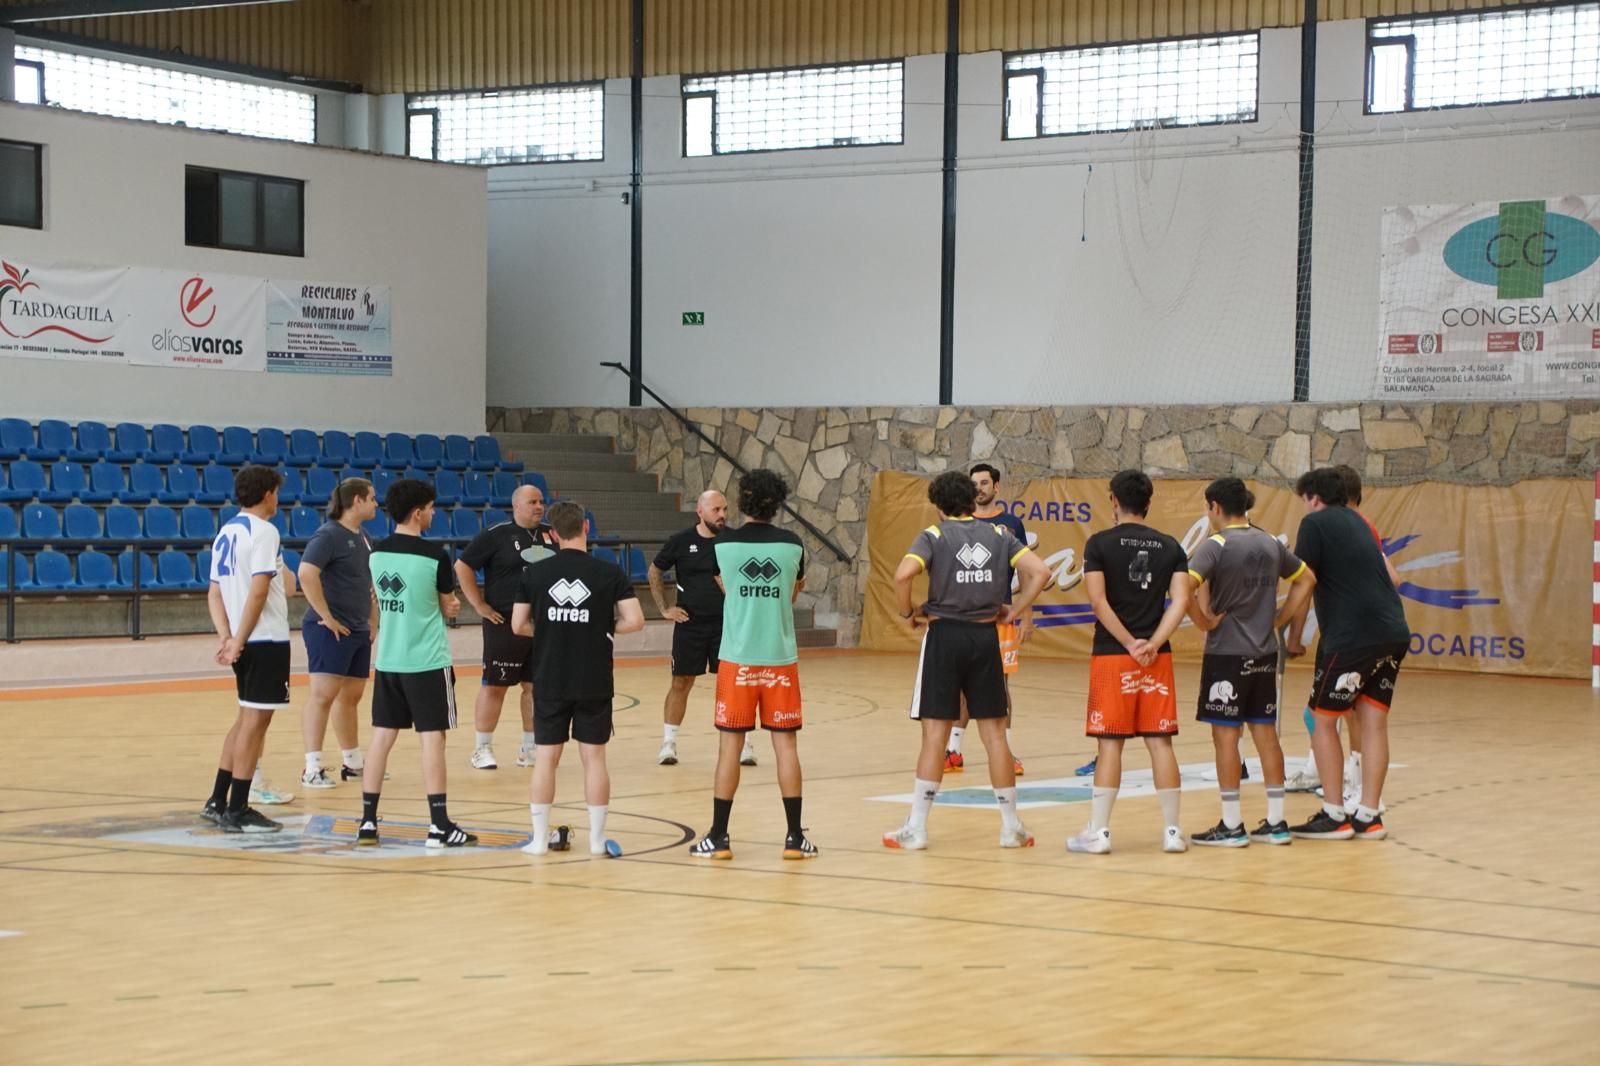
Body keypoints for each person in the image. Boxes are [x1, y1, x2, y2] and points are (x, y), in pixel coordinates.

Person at [883, 471, 1050, 850]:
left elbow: (903, 574)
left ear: (939, 505)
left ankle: (918, 828)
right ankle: (1011, 827)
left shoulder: (934, 535)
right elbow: (1040, 572)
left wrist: (908, 612)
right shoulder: (998, 535)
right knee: (994, 736)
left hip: (944, 637)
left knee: (934, 736)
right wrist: (1015, 609)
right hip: (984, 637)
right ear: (971, 501)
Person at [689, 469, 816, 861]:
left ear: (742, 501)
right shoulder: (793, 546)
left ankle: (719, 837)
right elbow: (793, 593)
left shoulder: (722, 546)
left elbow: (724, 587)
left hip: (737, 660)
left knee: (730, 748)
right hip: (780, 660)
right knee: (786, 747)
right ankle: (795, 838)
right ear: (777, 503)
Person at [1184, 478, 1315, 847]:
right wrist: (1280, 620)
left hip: (1227, 653)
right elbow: (1307, 579)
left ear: (1214, 507)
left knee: (1225, 737)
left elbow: (1183, 586)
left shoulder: (1216, 545)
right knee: (1265, 733)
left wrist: (1204, 622)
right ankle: (1276, 822)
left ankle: (1231, 825)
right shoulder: (1270, 541)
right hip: (1264, 652)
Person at [1067, 470, 1191, 856]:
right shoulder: (1171, 546)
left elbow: (1098, 601)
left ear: (1114, 502)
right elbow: (1182, 601)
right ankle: (1172, 832)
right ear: (1148, 503)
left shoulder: (1099, 544)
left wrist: (1128, 643)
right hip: (1156, 658)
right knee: (1160, 743)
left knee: (1110, 746)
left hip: (1113, 655)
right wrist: (1153, 643)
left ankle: (1099, 833)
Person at [513, 502, 646, 856]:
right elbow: (635, 621)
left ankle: (539, 841)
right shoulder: (609, 572)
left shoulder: (535, 574)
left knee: (546, 758)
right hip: (594, 679)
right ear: (586, 527)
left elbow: (517, 625)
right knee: (594, 759)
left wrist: (548, 631)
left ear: (552, 534)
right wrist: (600, 627)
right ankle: (597, 840)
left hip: (550, 676)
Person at [1285, 468, 1409, 841]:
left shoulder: (1315, 524)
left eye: (1305, 500)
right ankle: (1369, 815)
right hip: (1392, 632)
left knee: (1323, 720)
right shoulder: (1361, 522)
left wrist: (1289, 631)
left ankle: (1334, 813)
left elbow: (1304, 582)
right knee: (1374, 723)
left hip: (1351, 637)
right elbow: (1393, 578)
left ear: (1314, 498)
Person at [356, 478, 475, 848]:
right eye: (431, 507)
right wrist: (451, 606)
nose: (434, 513)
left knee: (381, 737)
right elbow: (445, 603)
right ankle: (439, 825)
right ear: (417, 512)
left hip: (389, 659)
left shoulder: (375, 552)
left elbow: (386, 598)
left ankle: (368, 822)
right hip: (426, 660)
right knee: (432, 739)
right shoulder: (435, 555)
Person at [201, 465, 294, 833]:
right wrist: (237, 639)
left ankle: (217, 799)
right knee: (256, 724)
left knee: (245, 719)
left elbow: (214, 591)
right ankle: (237, 808)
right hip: (265, 639)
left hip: (244, 639)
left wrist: (226, 637)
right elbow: (258, 590)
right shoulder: (264, 531)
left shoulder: (226, 531)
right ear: (268, 493)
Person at [649, 490, 754, 767]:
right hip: (690, 625)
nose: (722, 515)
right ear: (700, 511)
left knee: (733, 684)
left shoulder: (734, 540)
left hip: (727, 626)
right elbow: (655, 570)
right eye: (716, 509)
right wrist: (664, 608)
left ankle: (744, 744)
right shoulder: (681, 542)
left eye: (725, 509)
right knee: (681, 683)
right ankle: (669, 743)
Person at [456, 484, 556, 771]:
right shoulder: (496, 534)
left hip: (542, 623)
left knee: (535, 687)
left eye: (541, 501)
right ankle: (482, 749)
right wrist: (479, 605)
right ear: (516, 506)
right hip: (504, 622)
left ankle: (530, 747)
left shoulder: (553, 534)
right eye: (532, 502)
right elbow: (462, 566)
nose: (539, 506)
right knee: (495, 685)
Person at [944, 463, 1029, 778]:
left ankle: (1007, 752)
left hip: (1000, 616)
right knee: (962, 687)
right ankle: (953, 750)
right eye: (974, 483)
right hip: (965, 617)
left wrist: (1025, 615)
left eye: (984, 483)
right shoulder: (957, 524)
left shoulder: (1010, 525)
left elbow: (1026, 572)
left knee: (999, 684)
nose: (979, 488)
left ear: (997, 487)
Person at [296, 477, 379, 789]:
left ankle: (353, 762)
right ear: (356, 501)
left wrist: (373, 620)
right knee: (323, 696)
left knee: (352, 696)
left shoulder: (364, 536)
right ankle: (312, 768)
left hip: (358, 628)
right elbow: (306, 573)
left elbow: (369, 583)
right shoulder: (328, 535)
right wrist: (325, 616)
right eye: (371, 498)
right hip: (329, 630)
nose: (375, 504)